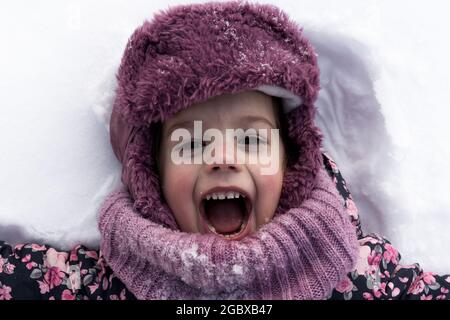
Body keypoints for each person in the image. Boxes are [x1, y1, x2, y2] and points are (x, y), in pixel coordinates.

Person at [1, 0, 449, 300]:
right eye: (191, 142)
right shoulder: (99, 282)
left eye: (252, 139)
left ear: (292, 160)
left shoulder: (352, 269)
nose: (222, 158)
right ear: (150, 173)